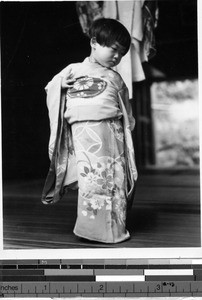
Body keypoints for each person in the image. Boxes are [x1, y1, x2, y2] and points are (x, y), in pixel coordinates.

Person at [42, 18, 137, 244]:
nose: (117, 57)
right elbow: (51, 87)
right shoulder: (72, 70)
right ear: (94, 42)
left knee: (113, 179)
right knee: (90, 180)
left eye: (121, 53)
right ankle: (89, 229)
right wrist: (60, 87)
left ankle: (114, 229)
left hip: (110, 132)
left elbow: (127, 112)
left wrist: (126, 130)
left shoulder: (115, 77)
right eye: (113, 49)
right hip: (83, 132)